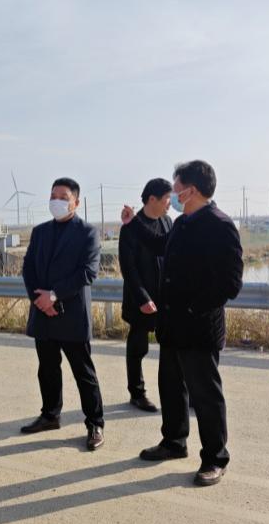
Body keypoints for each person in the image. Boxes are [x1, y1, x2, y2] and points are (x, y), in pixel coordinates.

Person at [122, 160, 243, 486]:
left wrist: (192, 309)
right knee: (171, 388)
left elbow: (230, 284)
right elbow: (158, 245)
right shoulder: (182, 223)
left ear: (191, 190)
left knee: (205, 395)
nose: (172, 195)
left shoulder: (219, 225)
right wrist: (132, 224)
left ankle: (215, 458)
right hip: (172, 326)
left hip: (199, 328)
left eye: (176, 188)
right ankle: (174, 441)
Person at [20, 178, 105, 450]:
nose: (56, 201)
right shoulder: (40, 232)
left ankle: (95, 423)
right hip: (43, 313)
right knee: (47, 369)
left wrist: (54, 295)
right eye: (53, 195)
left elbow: (88, 272)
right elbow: (28, 268)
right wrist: (40, 300)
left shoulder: (87, 232)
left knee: (83, 372)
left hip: (72, 314)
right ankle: (50, 415)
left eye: (63, 197)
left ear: (75, 202)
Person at [118, 178, 173, 412]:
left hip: (165, 299)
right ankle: (137, 393)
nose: (170, 203)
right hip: (140, 299)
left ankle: (179, 392)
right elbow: (128, 267)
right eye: (167, 198)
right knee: (138, 347)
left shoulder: (167, 222)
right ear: (152, 199)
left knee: (172, 347)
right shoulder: (131, 227)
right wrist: (142, 298)